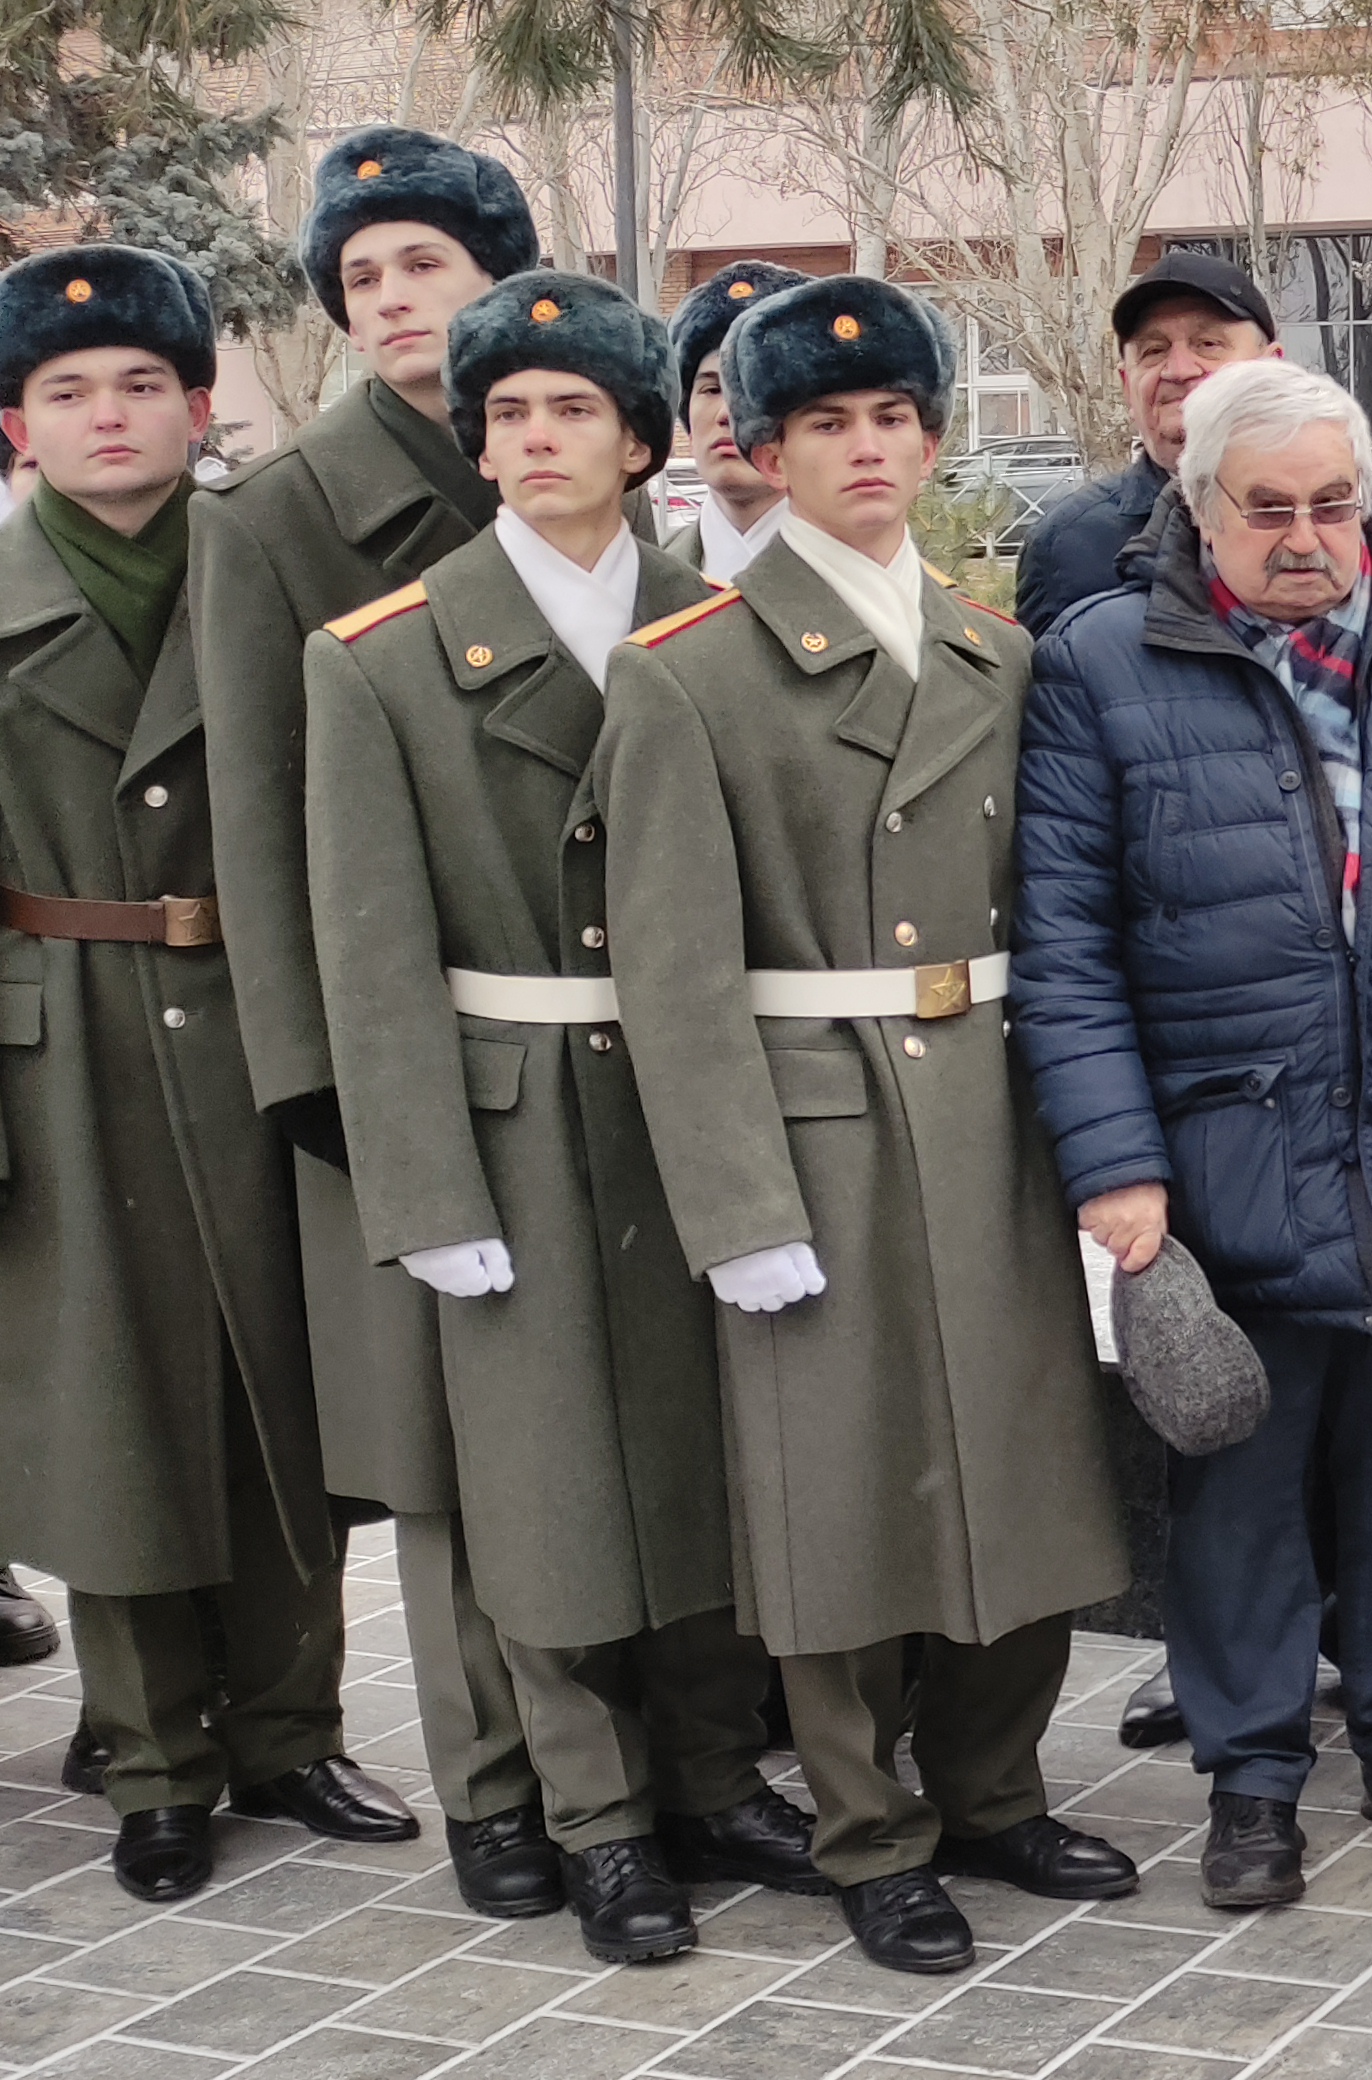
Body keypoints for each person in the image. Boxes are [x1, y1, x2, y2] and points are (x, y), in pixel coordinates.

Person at [597, 274, 1139, 1975]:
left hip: (984, 1111)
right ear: (765, 453)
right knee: (829, 1500)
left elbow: (1060, 912)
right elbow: (674, 979)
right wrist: (734, 1204)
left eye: (894, 417)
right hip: (815, 1122)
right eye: (824, 424)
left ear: (932, 437)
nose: (866, 449)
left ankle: (991, 1789)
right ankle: (866, 1830)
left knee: (1022, 1468)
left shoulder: (995, 649)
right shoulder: (689, 675)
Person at [298, 271, 829, 1963]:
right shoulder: (381, 658)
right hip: (512, 1114)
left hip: (694, 1110)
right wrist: (421, 1184)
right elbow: (370, 954)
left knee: (703, 1455)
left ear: (641, 441)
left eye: (574, 410)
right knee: (542, 1490)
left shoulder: (718, 625)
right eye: (507, 414)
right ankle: (587, 1812)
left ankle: (708, 1775)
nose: (536, 439)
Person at [1017, 356, 1372, 1911]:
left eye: (1335, 502)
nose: (1310, 536)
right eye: (1270, 509)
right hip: (1226, 1152)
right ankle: (1251, 1776)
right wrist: (1115, 1163)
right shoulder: (1103, 663)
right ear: (1200, 507)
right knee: (1238, 1488)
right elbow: (1065, 943)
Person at [0, 243, 388, 1905]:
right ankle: (154, 1760)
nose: (110, 415)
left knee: (286, 1389)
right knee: (119, 1410)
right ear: (17, 425)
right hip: (63, 1036)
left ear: (198, 403)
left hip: (263, 1012)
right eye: (68, 390)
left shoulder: (270, 567)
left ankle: (294, 1734)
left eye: (143, 384)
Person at [191, 127, 554, 1892]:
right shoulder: (275, 522)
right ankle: (496, 1786)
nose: (393, 300)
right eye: (360, 277)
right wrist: (320, 1082)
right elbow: (260, 830)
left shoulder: (569, 464)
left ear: (499, 280)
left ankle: (647, 1765)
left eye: (426, 264)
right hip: (400, 1055)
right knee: (446, 1439)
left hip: (592, 1034)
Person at [1012, 250, 1372, 637]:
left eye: (1208, 343)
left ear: (1272, 367)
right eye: (1153, 350)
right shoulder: (1071, 546)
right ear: (1128, 384)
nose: (1179, 369)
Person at [660, 260, 806, 580]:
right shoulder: (641, 582)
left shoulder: (872, 582)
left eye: (751, 390)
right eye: (711, 390)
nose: (727, 414)